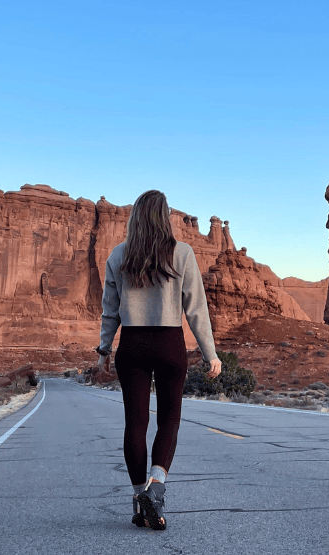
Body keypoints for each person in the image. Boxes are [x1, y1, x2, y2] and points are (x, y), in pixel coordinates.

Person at [94, 189, 222, 531]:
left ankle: (140, 500)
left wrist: (104, 350)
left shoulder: (118, 256)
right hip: (169, 343)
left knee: (135, 423)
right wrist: (211, 353)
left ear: (135, 218)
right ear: (164, 217)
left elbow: (109, 311)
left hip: (133, 344)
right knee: (169, 420)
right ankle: (157, 486)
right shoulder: (182, 253)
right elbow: (196, 308)